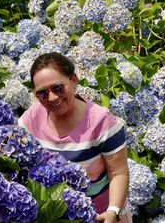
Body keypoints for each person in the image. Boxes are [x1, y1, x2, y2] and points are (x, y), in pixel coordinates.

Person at [18, 52, 132, 223]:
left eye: (58, 88)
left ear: (74, 80)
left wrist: (113, 211)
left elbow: (118, 173)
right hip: (52, 216)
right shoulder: (30, 120)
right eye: (42, 93)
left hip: (100, 215)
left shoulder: (102, 123)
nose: (52, 97)